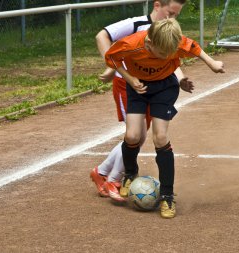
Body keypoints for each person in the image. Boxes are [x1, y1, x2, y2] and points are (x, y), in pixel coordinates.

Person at [105, 18, 225, 218]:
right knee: (133, 136)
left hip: (165, 87)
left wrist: (212, 63)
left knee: (160, 137)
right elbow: (112, 58)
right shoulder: (131, 44)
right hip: (138, 88)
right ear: (150, 43)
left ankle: (167, 196)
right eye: (163, 54)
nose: (167, 57)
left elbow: (194, 47)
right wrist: (130, 79)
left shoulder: (173, 42)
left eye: (171, 53)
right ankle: (130, 173)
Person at [90, 0, 193, 202]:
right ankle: (111, 179)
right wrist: (111, 65)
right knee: (135, 136)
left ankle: (102, 172)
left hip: (153, 85)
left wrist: (180, 79)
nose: (172, 19)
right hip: (128, 84)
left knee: (140, 136)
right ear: (157, 5)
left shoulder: (166, 30)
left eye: (176, 16)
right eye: (170, 13)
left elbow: (169, 59)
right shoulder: (136, 24)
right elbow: (102, 35)